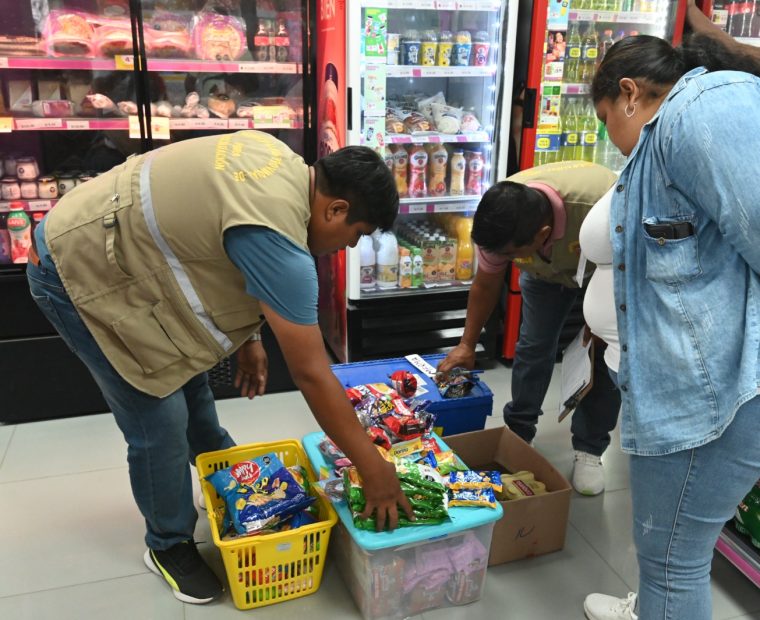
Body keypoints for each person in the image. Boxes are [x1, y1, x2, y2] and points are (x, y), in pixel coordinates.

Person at [25, 131, 413, 605]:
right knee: (158, 420)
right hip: (73, 268)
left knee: (191, 388)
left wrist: (250, 338)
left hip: (125, 257)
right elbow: (312, 373)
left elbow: (211, 241)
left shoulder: (274, 156)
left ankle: (224, 472)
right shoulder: (283, 245)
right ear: (334, 210)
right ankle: (167, 544)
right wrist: (372, 467)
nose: (349, 248)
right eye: (357, 235)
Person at [580, 14, 760, 620]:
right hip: (689, 391)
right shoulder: (675, 125)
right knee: (670, 553)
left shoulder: (701, 114)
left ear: (629, 92)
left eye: (607, 120)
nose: (611, 138)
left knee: (672, 561)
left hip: (718, 401)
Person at [436, 160, 622, 495]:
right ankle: (519, 432)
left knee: (605, 356)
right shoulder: (499, 220)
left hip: (606, 271)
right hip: (543, 275)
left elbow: (632, 265)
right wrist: (466, 343)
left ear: (542, 235)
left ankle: (590, 448)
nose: (501, 259)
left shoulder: (603, 205)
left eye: (510, 255)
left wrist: (604, 318)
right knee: (533, 346)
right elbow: (486, 284)